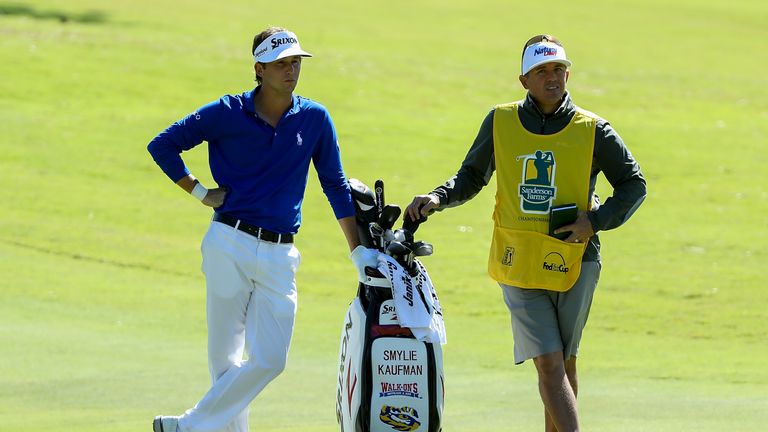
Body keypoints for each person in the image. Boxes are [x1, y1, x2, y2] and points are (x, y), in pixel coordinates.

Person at [405, 34, 646, 432]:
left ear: (567, 74)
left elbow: (634, 184)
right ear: (524, 80)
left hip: (576, 259)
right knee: (549, 362)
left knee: (565, 362)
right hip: (518, 259)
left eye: (558, 70)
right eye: (541, 71)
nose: (552, 78)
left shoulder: (594, 130)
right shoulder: (500, 120)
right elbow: (471, 176)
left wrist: (594, 221)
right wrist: (438, 197)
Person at [147, 27, 378, 432]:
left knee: (271, 359)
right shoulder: (226, 111)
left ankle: (187, 427)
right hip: (228, 242)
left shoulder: (315, 118)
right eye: (281, 64)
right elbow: (163, 144)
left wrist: (356, 250)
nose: (291, 71)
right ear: (259, 69)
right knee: (225, 361)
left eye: (295, 63)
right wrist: (199, 191)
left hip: (279, 253)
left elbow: (334, 184)